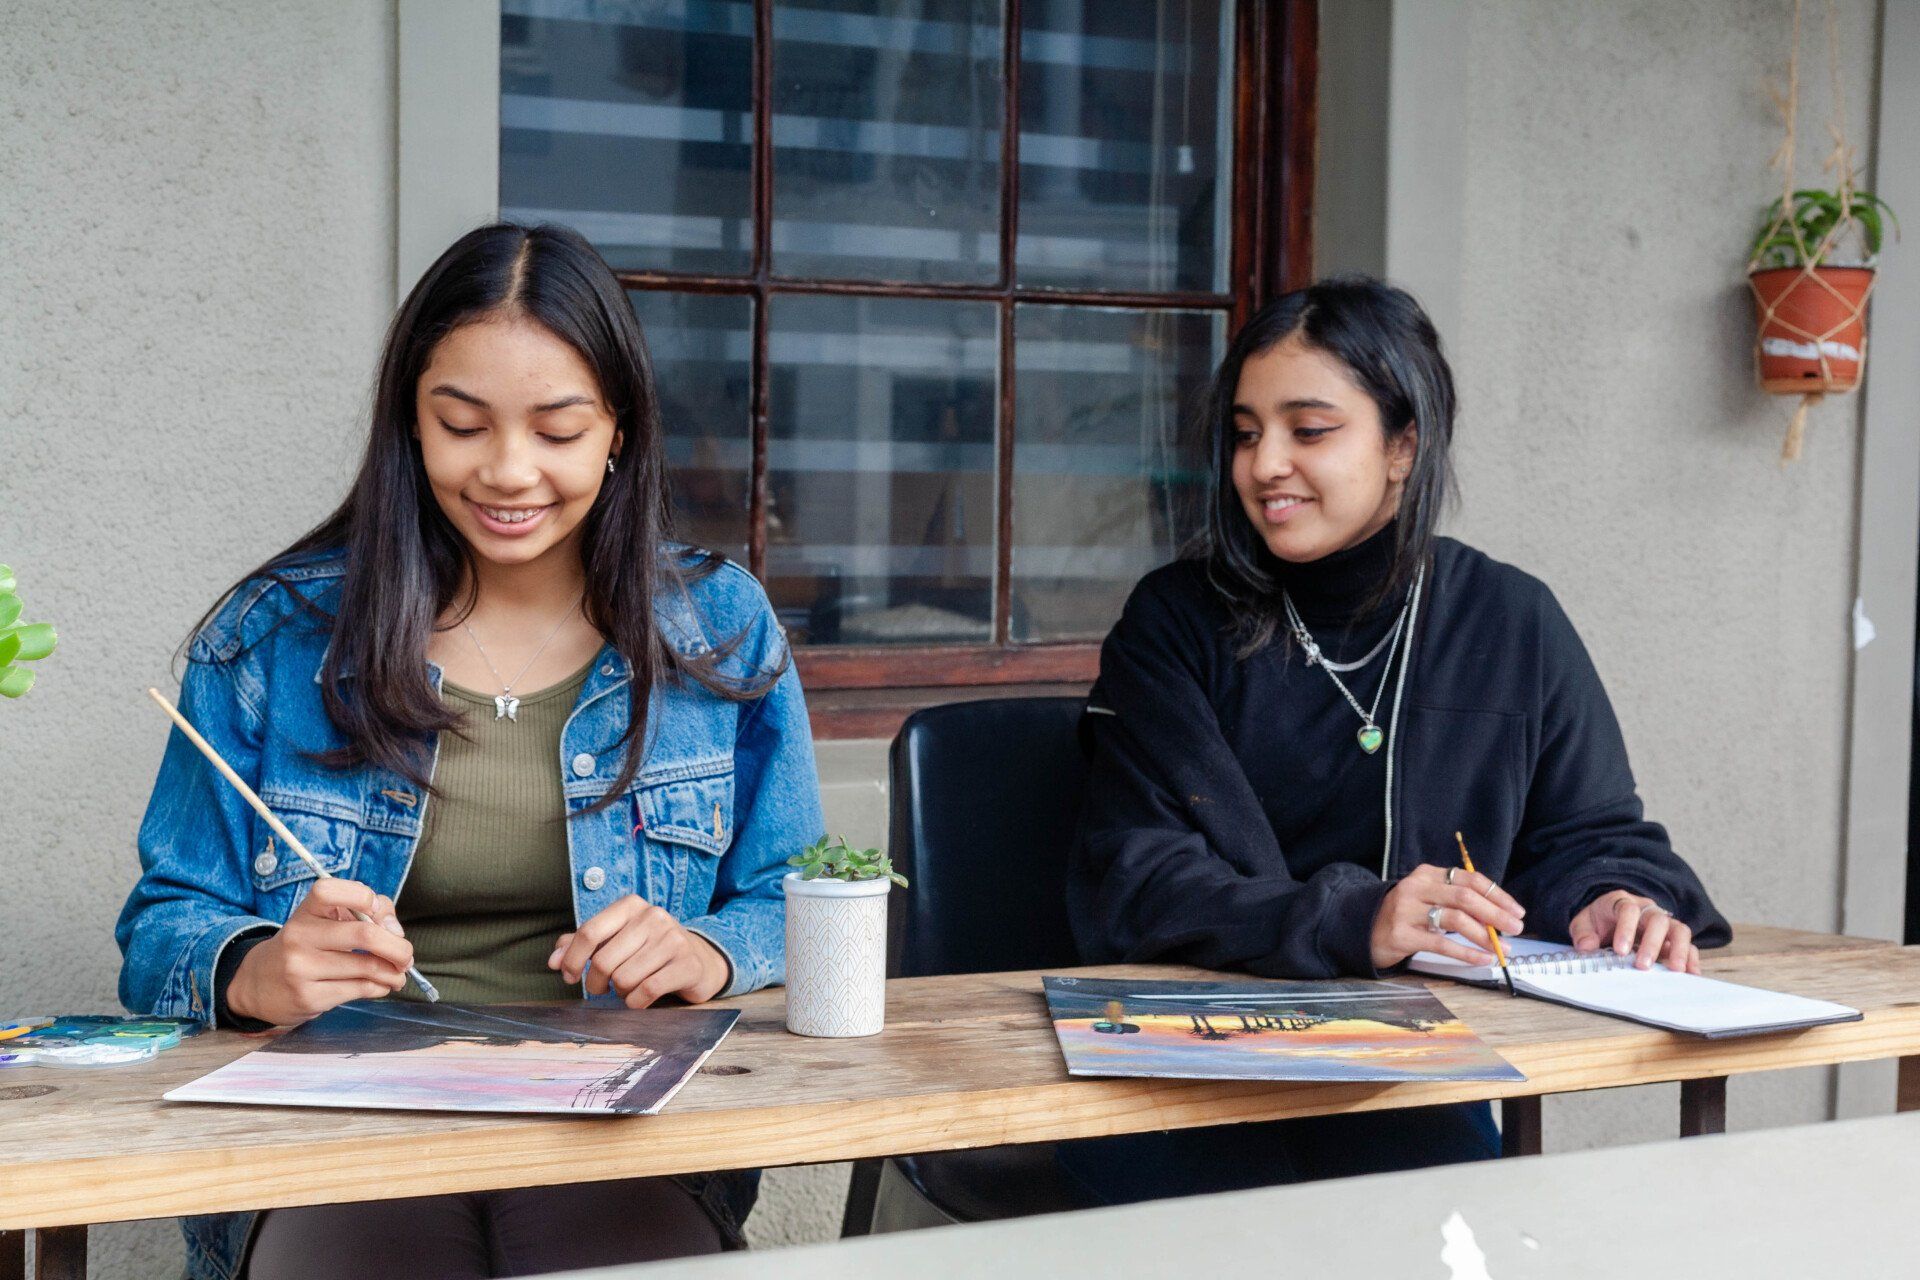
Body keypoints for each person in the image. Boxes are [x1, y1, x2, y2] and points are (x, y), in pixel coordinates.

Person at [116, 223, 823, 1280]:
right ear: (412, 418)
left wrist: (712, 951)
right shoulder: (275, 633)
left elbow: (802, 896)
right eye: (462, 424)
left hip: (617, 1133)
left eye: (557, 429)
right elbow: (161, 925)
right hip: (338, 1135)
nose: (508, 470)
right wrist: (259, 968)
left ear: (618, 430)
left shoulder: (716, 622)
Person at [1059, 276, 1729, 1202]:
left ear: (1404, 443)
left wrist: (1617, 897)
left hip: (1406, 1072)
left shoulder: (1509, 619)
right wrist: (1354, 920)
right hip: (1178, 1070)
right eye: (1248, 434)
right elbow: (1132, 878)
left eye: (1310, 429)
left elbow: (1589, 832)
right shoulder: (1175, 622)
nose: (1265, 465)